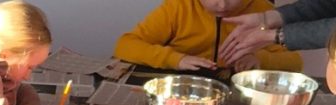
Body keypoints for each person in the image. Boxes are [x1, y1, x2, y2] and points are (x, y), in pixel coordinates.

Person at [113, 0, 301, 73]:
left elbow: (295, 62)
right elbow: (125, 45)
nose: (222, 5)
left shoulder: (263, 11)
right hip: (180, 87)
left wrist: (259, 59)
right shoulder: (177, 7)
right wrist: (176, 59)